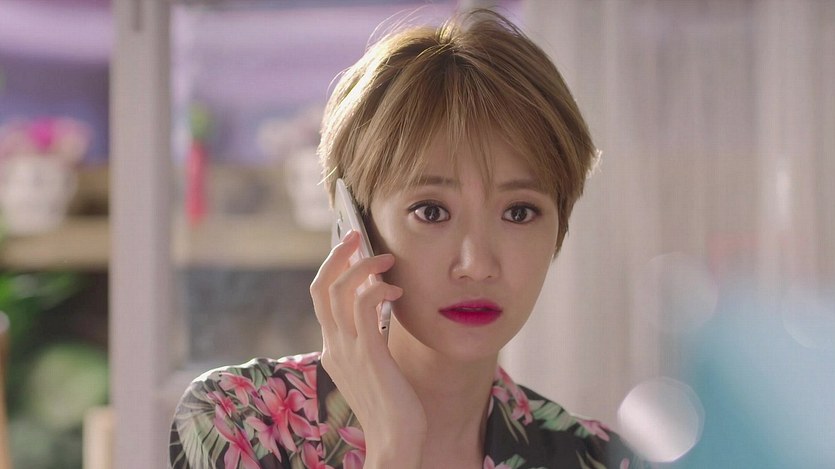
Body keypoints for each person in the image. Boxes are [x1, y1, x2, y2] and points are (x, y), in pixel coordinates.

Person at [170, 8, 645, 469]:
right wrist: (394, 444)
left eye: (519, 212)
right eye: (431, 211)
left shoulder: (599, 459)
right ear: (355, 224)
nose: (477, 264)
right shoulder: (235, 422)